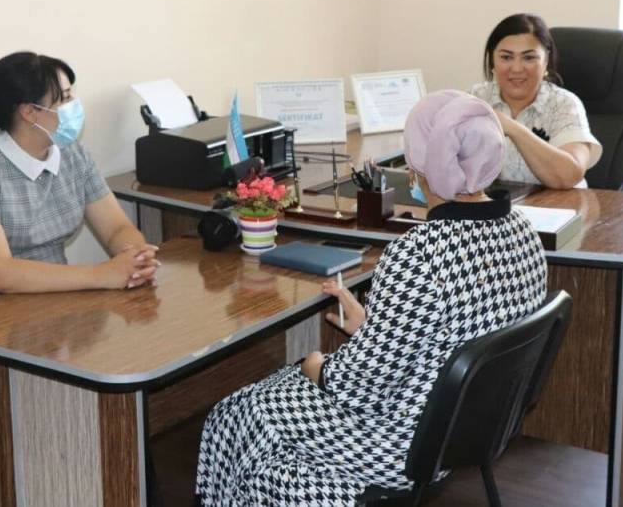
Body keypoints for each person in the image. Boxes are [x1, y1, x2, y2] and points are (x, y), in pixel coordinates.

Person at [195, 91, 548, 506]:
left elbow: (353, 386)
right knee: (271, 412)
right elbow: (459, 329)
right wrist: (375, 329)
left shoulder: (418, 253)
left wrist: (316, 365)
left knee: (238, 411)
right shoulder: (524, 232)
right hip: (473, 429)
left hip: (401, 445)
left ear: (419, 166)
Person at [0, 51, 159, 380]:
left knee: (135, 349)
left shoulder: (73, 155)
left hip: (52, 307)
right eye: (64, 98)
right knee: (89, 372)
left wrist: (134, 256)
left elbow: (116, 227)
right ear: (29, 112)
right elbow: (0, 274)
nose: (74, 105)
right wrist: (103, 275)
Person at [470, 13, 602, 188]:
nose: (517, 68)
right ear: (493, 60)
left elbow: (569, 176)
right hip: (498, 203)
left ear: (546, 61)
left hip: (559, 204)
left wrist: (512, 128)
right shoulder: (477, 98)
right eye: (506, 57)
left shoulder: (564, 104)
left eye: (529, 57)